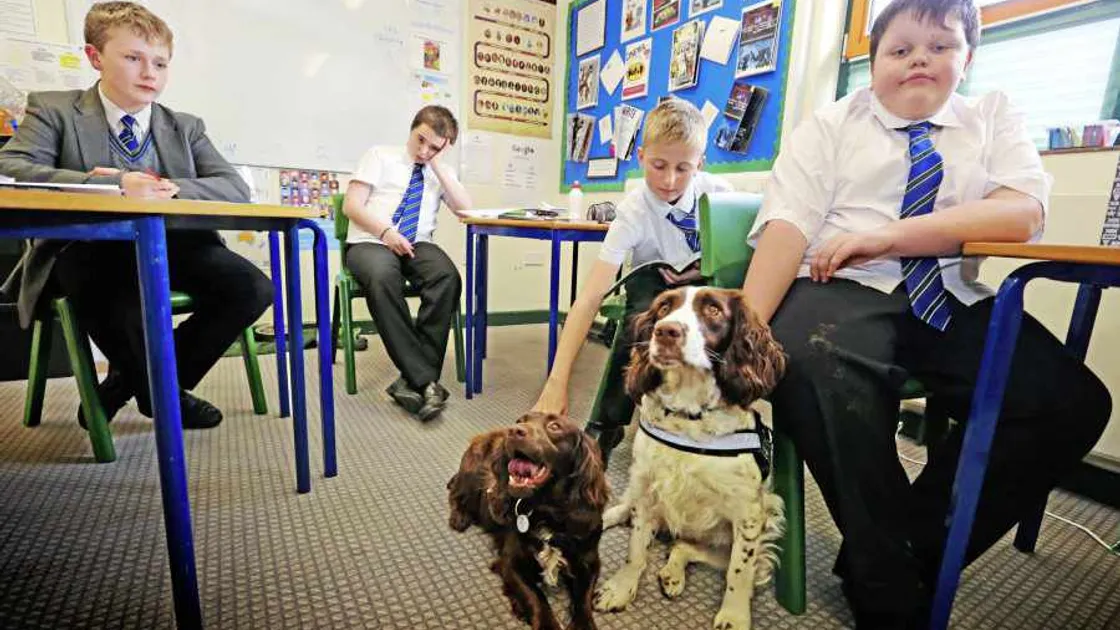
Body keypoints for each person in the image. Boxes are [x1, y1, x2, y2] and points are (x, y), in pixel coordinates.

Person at [741, 1, 1112, 627]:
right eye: (901, 48)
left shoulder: (991, 116)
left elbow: (1020, 213)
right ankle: (887, 586)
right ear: (875, 61)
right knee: (808, 361)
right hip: (842, 286)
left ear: (967, 59)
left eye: (941, 46)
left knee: (1073, 403)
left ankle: (896, 548)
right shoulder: (830, 125)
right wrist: (741, 344)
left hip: (948, 290)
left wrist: (893, 235)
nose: (920, 58)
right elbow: (786, 229)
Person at [0, 1, 272, 430]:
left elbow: (234, 187)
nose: (151, 73)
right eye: (133, 58)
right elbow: (10, 170)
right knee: (116, 295)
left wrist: (173, 185)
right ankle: (164, 398)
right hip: (86, 246)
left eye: (161, 63)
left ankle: (128, 386)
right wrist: (113, 184)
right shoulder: (53, 109)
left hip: (172, 244)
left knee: (251, 288)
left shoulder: (185, 126)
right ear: (95, 57)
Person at [533, 97, 732, 458]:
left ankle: (706, 419)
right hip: (651, 283)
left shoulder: (721, 198)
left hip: (704, 284)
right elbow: (590, 297)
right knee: (638, 323)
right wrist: (556, 382)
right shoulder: (632, 214)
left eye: (683, 168)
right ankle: (606, 424)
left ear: (700, 164)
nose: (670, 180)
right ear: (641, 156)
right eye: (658, 165)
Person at [341, 105, 471, 422]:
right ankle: (425, 379)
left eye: (435, 147)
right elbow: (351, 206)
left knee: (447, 277)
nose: (424, 150)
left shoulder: (440, 170)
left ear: (445, 147)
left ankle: (411, 380)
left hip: (416, 242)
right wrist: (385, 232)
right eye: (420, 141)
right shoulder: (379, 156)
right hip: (371, 240)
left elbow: (466, 212)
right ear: (412, 130)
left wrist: (438, 165)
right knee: (384, 277)